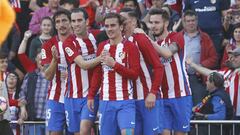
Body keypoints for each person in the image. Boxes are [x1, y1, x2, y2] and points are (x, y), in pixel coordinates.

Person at [87, 12, 140, 135]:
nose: (109, 29)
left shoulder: (131, 47)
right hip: (105, 102)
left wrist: (114, 65)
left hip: (125, 101)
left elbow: (134, 74)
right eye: (107, 26)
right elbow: (97, 74)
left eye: (113, 25)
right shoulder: (101, 47)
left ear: (121, 27)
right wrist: (91, 95)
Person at [145, 8, 192, 135]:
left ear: (165, 23)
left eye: (157, 22)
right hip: (162, 96)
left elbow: (167, 53)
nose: (153, 26)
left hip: (181, 94)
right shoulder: (153, 44)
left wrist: (147, 40)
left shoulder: (176, 37)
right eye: (151, 23)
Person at [120, 9, 164, 135]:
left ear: (133, 22)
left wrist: (153, 92)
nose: (121, 24)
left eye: (124, 21)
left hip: (147, 97)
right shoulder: (119, 43)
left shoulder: (140, 39)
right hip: (129, 101)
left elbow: (158, 66)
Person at [62, 8, 102, 135]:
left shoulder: (97, 36)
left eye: (79, 20)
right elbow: (83, 65)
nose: (76, 24)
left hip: (92, 94)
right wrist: (101, 58)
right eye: (73, 21)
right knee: (78, 133)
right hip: (72, 96)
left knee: (85, 130)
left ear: (87, 21)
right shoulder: (68, 42)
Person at [186, 47, 240, 135]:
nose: (232, 59)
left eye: (236, 56)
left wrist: (204, 117)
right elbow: (209, 73)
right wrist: (192, 64)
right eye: (232, 56)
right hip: (231, 116)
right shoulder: (227, 72)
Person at [174, 10, 218, 106]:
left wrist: (200, 66)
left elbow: (214, 58)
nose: (191, 23)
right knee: (181, 105)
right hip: (180, 78)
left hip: (197, 78)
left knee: (198, 105)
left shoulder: (205, 37)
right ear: (184, 22)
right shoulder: (177, 37)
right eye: (188, 21)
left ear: (197, 21)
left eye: (193, 20)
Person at [41, 9, 72, 135]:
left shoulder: (79, 42)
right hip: (55, 96)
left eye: (64, 20)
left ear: (70, 22)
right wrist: (55, 60)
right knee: (54, 133)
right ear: (55, 25)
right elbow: (48, 76)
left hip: (76, 96)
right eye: (58, 22)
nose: (61, 24)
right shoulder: (48, 45)